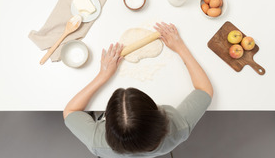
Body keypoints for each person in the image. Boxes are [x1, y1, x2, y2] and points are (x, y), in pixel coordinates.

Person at [63, 22, 213, 158]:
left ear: (107, 124)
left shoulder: (97, 142)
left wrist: (102, 76)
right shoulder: (177, 128)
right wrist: (180, 47)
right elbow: (204, 90)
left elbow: (70, 111)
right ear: (158, 113)